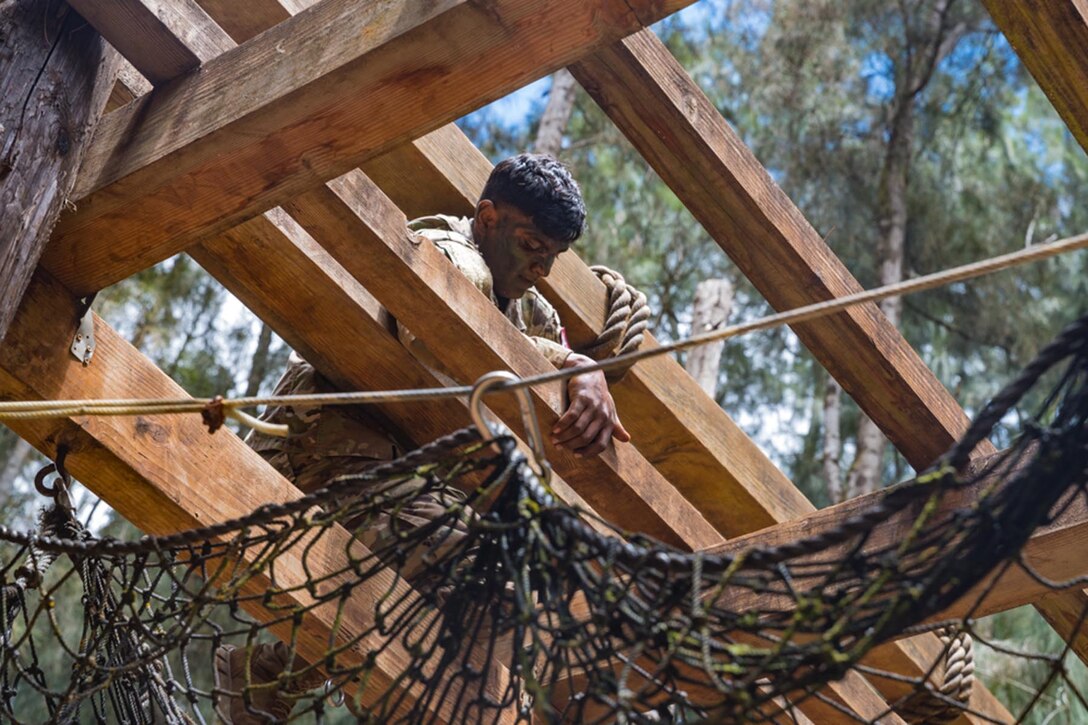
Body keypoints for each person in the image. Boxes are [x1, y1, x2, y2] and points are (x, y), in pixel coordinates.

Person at [214, 154, 630, 723]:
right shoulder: (449, 251)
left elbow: (538, 343)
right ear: (488, 218)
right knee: (473, 562)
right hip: (319, 449)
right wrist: (558, 365)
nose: (542, 269)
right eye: (532, 247)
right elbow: (434, 338)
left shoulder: (525, 300)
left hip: (398, 477)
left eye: (552, 258)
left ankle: (270, 675)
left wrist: (585, 367)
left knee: (488, 595)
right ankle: (271, 678)